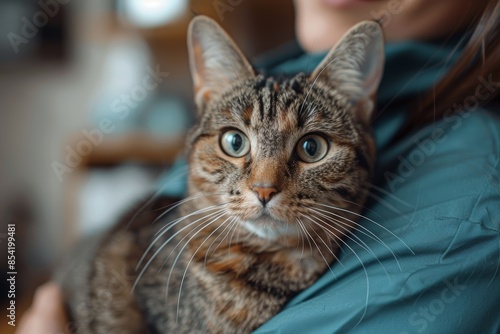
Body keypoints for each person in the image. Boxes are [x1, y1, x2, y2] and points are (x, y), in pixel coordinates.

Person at [18, 0, 500, 333]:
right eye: (234, 143)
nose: (264, 183)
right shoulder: (285, 67)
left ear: (360, 106)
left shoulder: (467, 208)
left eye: (310, 149)